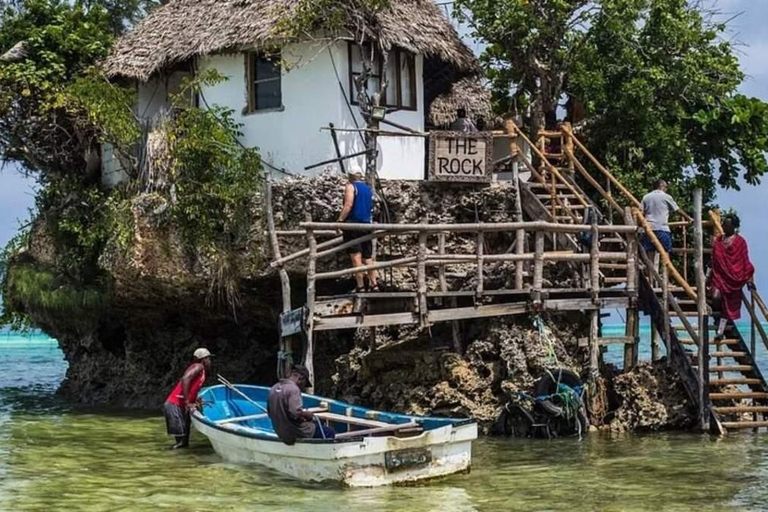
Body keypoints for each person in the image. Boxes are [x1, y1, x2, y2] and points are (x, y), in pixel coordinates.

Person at [708, 214, 756, 339]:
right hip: (719, 277)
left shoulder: (740, 242)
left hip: (734, 279)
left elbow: (745, 262)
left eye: (726, 224)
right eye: (723, 223)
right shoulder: (718, 241)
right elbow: (714, 259)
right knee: (716, 297)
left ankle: (721, 330)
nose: (723, 226)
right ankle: (718, 322)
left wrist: (749, 281)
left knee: (728, 305)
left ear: (734, 227)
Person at [267, 365, 335, 445]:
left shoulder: (274, 388)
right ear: (301, 378)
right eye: (304, 384)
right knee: (329, 432)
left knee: (316, 426)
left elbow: (270, 412)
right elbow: (295, 413)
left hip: (281, 432)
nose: (303, 387)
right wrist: (307, 414)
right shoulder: (293, 389)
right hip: (295, 431)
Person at [337, 170, 378, 293]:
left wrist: (339, 220)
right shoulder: (367, 189)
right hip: (366, 225)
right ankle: (374, 284)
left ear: (350, 176)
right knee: (367, 257)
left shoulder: (351, 186)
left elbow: (348, 205)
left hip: (353, 224)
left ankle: (360, 286)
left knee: (356, 257)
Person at [164, 348, 212, 449]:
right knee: (181, 443)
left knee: (184, 443)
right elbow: (185, 379)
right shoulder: (198, 367)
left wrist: (195, 400)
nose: (210, 362)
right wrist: (187, 402)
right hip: (175, 404)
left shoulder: (201, 371)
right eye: (208, 359)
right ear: (204, 359)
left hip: (181, 406)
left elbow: (192, 388)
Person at [640, 179, 692, 254]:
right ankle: (665, 266)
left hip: (648, 228)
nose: (666, 189)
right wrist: (688, 218)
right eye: (666, 187)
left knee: (650, 253)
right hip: (662, 228)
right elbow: (677, 210)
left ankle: (650, 266)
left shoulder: (646, 197)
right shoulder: (666, 197)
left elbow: (641, 212)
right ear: (661, 186)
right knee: (665, 253)